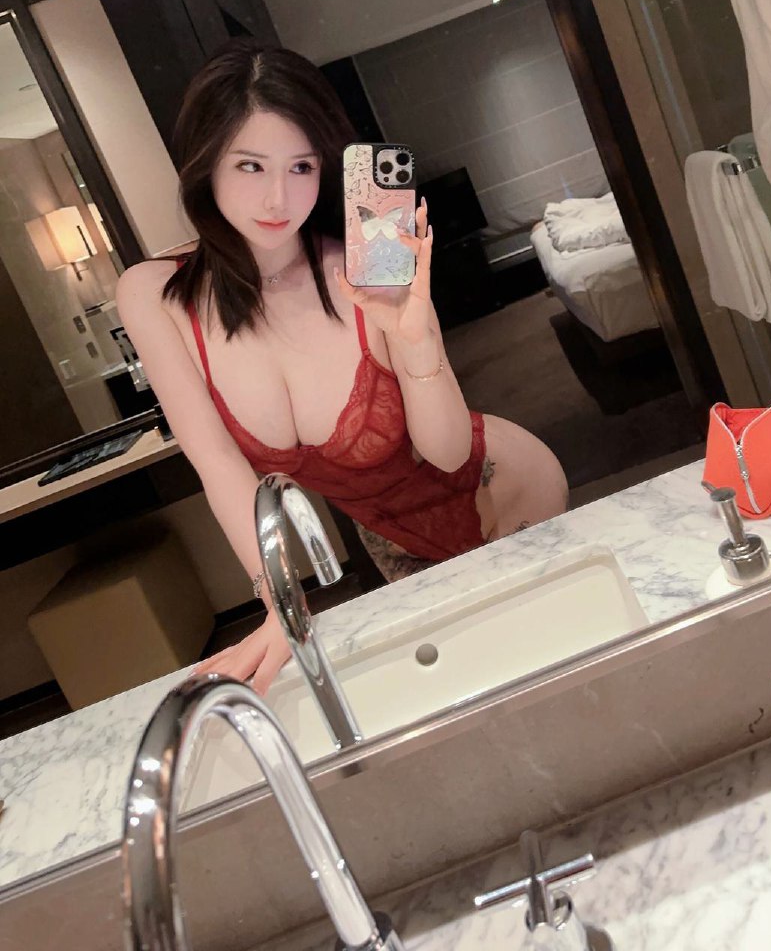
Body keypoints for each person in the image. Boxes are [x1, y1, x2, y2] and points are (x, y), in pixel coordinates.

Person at [117, 40, 569, 694]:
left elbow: (446, 453)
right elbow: (218, 466)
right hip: (392, 538)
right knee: (463, 690)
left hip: (503, 490)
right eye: (250, 165)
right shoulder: (154, 296)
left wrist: (418, 342)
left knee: (546, 673)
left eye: (301, 166)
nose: (278, 196)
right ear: (205, 163)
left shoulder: (366, 268)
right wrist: (280, 604)